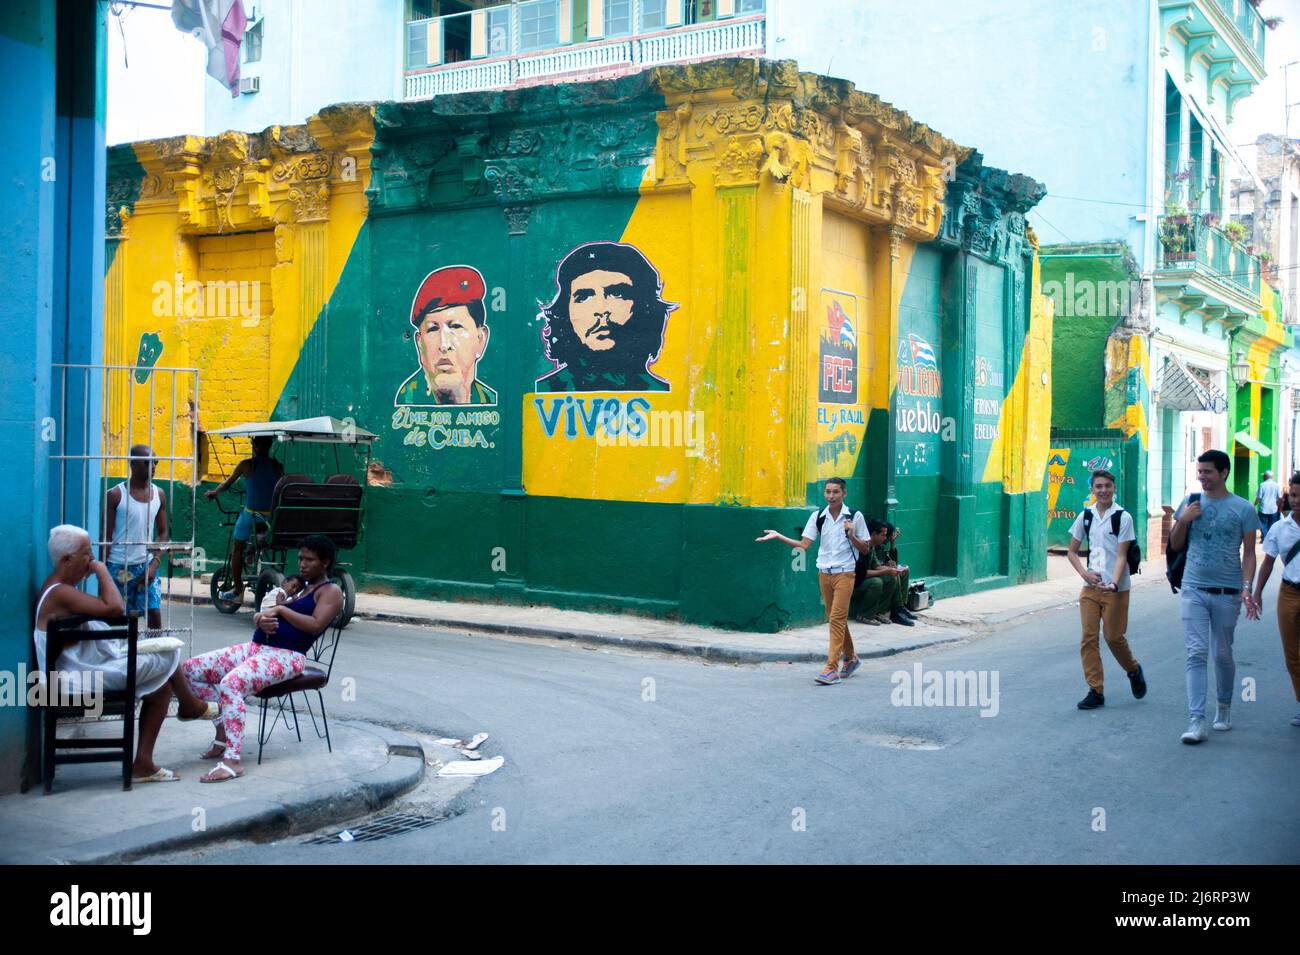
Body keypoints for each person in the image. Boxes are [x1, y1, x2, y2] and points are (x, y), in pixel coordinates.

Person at [35, 525, 218, 783]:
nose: (91, 561)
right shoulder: (61, 592)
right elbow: (116, 607)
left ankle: (144, 763)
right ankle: (189, 706)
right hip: (73, 682)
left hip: (82, 671)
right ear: (66, 560)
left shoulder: (61, 587)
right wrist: (100, 569)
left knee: (162, 684)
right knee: (168, 652)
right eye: (87, 555)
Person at [182, 534, 345, 782]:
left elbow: (314, 625)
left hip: (287, 656)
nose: (302, 564)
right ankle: (222, 726)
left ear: (325, 562)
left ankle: (232, 761)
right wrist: (261, 618)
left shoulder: (330, 591)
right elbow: (267, 611)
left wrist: (281, 610)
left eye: (309, 560)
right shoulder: (298, 586)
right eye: (300, 558)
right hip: (256, 648)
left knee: (231, 684)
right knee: (188, 670)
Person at [1170, 449, 1261, 744]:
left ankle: (1224, 706)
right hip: (1193, 587)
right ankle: (1197, 720)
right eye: (1200, 471)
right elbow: (1175, 544)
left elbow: (1249, 552)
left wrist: (1248, 586)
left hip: (1227, 592)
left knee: (1222, 653)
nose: (1202, 477)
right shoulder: (1191, 503)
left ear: (1223, 473)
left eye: (1208, 471)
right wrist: (1183, 520)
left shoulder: (1243, 509)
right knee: (1195, 653)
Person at [756, 478, 871, 685]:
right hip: (824, 573)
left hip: (846, 573)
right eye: (828, 492)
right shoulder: (818, 516)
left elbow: (865, 549)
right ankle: (851, 658)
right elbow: (803, 544)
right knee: (837, 618)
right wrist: (778, 536)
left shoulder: (855, 516)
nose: (831, 496)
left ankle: (831, 668)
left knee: (835, 619)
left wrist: (852, 535)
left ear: (844, 494)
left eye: (836, 492)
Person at [535, 242, 677, 392]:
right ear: (564, 313)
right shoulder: (545, 391)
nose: (600, 309)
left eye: (617, 294)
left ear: (644, 307)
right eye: (583, 297)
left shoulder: (663, 395)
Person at [1066, 469, 1146, 710]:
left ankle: (1133, 669)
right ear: (1092, 489)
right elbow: (1072, 551)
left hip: (1116, 589)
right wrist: (1085, 574)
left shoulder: (1123, 517)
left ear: (1114, 489)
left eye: (1107, 486)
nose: (1103, 490)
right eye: (1098, 486)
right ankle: (1095, 690)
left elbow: (1122, 555)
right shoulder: (1086, 516)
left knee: (1113, 637)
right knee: (1088, 638)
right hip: (1090, 588)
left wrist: (1114, 582)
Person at [395, 265, 497, 406]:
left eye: (455, 326)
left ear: (480, 339)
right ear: (419, 343)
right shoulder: (406, 402)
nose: (444, 345)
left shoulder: (490, 401)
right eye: (432, 329)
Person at [1247, 471, 1300, 728]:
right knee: (1292, 655)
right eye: (1294, 495)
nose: (1297, 500)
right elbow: (1267, 562)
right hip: (1289, 594)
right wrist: (1256, 593)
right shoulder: (1280, 527)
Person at [205, 434, 284, 603]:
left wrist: (214, 493)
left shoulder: (246, 465)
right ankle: (253, 551)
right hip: (271, 518)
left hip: (251, 515)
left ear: (254, 445)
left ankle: (238, 589)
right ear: (270, 445)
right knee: (259, 533)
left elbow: (227, 484)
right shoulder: (277, 466)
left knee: (237, 548)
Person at [103, 444, 168, 632]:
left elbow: (163, 533)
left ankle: (157, 658)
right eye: (147, 463)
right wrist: (103, 571)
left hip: (146, 564)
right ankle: (122, 658)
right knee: (121, 619)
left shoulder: (159, 494)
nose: (153, 467)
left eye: (155, 462)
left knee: (154, 613)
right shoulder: (115, 495)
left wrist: (154, 564)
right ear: (132, 464)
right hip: (118, 566)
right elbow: (105, 537)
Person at [856, 520, 914, 626]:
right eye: (883, 535)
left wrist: (894, 570)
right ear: (874, 534)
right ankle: (864, 614)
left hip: (864, 578)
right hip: (854, 583)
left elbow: (877, 566)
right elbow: (861, 574)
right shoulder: (863, 546)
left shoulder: (872, 546)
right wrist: (886, 570)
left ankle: (881, 612)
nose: (885, 538)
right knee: (877, 582)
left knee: (892, 577)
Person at [1255, 470, 1283, 535]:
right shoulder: (1277, 485)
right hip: (1273, 509)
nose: (1263, 477)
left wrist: (1254, 505)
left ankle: (1264, 537)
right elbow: (1279, 498)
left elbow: (1259, 498)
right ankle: (1269, 538)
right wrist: (1278, 506)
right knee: (1272, 526)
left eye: (1263, 476)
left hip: (1263, 509)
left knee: (1262, 525)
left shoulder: (1262, 485)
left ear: (1265, 476)